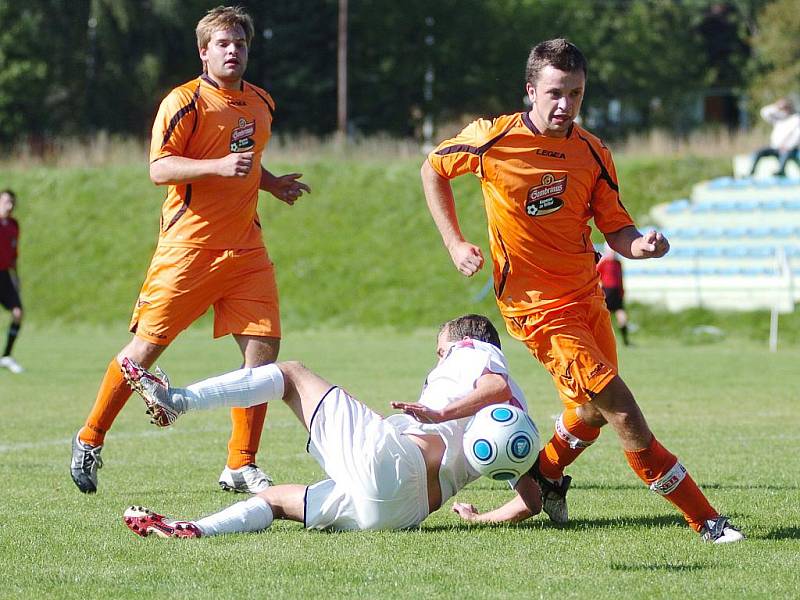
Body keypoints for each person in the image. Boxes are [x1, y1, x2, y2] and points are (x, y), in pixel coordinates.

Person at [420, 39, 743, 543]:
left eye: (575, 93)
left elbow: (617, 229)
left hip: (587, 297)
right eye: (554, 92)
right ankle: (706, 519)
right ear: (531, 90)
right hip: (538, 310)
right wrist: (454, 241)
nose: (564, 104)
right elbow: (432, 169)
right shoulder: (493, 139)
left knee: (588, 413)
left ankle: (544, 478)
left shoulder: (592, 152)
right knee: (620, 408)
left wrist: (643, 246)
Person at [70, 6, 310, 495]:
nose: (233, 51)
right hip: (188, 248)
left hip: (246, 250)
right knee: (144, 352)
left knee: (262, 358)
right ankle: (90, 438)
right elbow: (160, 169)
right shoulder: (183, 102)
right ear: (204, 52)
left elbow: (248, 160)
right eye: (222, 44)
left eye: (240, 43)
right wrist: (218, 167)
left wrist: (271, 184)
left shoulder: (261, 102)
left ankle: (240, 464)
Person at [119, 314, 542, 537]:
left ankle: (177, 400)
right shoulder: (517, 420)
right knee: (275, 499)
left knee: (291, 374)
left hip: (397, 464)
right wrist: (480, 520)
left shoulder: (475, 349)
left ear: (458, 340)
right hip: (403, 515)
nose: (439, 359)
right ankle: (195, 529)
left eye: (439, 351)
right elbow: (532, 500)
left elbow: (493, 383)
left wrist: (440, 414)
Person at [0, 189, 23, 374]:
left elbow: (13, 255)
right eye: (6, 201)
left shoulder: (14, 225)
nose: (10, 204)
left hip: (5, 275)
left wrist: (16, 278)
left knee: (17, 313)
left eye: (12, 202)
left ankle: (6, 356)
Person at [749, 98, 800, 177]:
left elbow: (797, 136)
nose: (783, 110)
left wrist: (788, 146)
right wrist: (776, 106)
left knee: (785, 153)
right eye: (782, 108)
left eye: (785, 107)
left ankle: (781, 171)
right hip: (775, 147)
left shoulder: (796, 119)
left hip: (790, 149)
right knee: (759, 152)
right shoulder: (779, 119)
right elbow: (764, 112)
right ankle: (751, 173)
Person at [596, 244, 630, 346]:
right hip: (607, 290)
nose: (612, 252)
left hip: (615, 291)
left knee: (621, 315)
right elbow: (597, 275)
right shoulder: (604, 262)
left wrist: (622, 289)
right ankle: (605, 340)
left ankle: (624, 340)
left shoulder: (617, 263)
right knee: (606, 316)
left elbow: (620, 277)